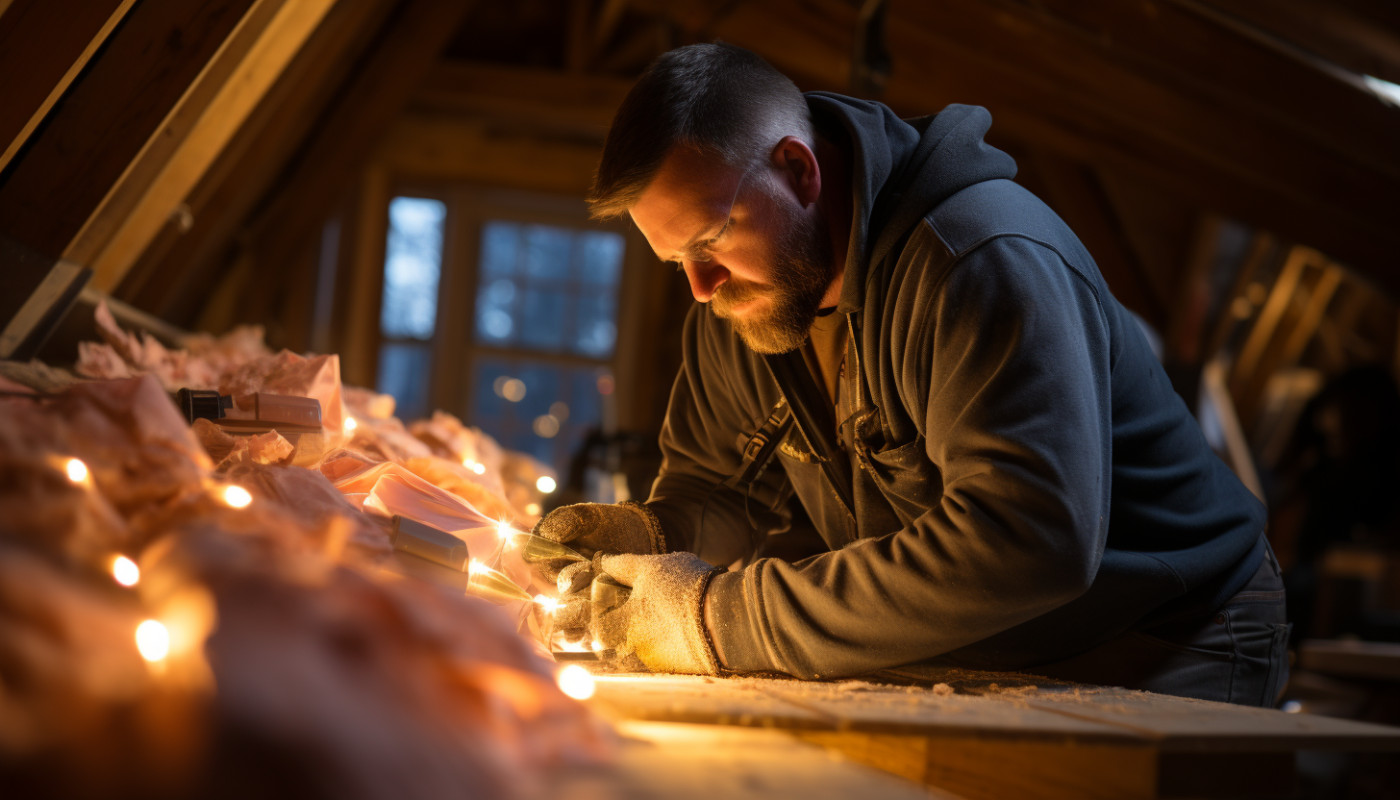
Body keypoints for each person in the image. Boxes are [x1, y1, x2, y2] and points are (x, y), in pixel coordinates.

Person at [533, 42, 1289, 706]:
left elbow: (1026, 541)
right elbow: (719, 488)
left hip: (1168, 630)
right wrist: (654, 533)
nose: (701, 288)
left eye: (713, 237)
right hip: (994, 639)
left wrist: (716, 619)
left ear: (798, 169)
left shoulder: (981, 260)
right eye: (677, 262)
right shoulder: (744, 300)